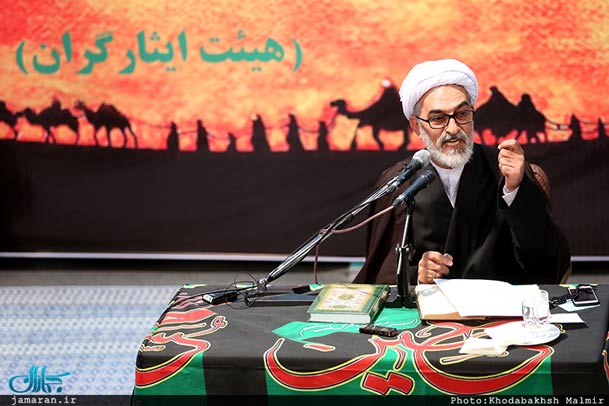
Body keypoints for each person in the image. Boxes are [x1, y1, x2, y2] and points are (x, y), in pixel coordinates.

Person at [353, 59, 571, 286]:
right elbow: (383, 273)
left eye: (462, 114)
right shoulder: (399, 183)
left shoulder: (504, 171)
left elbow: (548, 258)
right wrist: (417, 275)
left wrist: (516, 190)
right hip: (428, 305)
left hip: (498, 303)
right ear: (416, 126)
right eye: (438, 119)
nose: (453, 128)